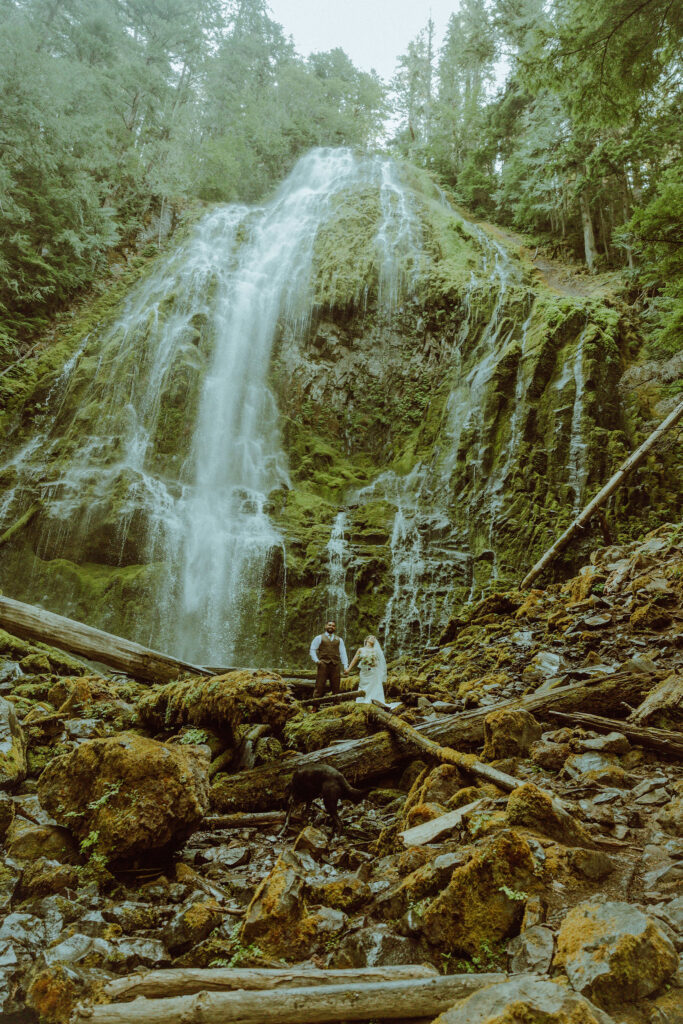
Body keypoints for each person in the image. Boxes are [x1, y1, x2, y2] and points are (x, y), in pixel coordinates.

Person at [309, 620, 349, 700]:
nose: (331, 627)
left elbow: (343, 653)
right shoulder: (319, 637)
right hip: (323, 664)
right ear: (325, 626)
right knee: (319, 685)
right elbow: (312, 649)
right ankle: (315, 705)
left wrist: (345, 666)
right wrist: (316, 660)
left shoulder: (339, 639)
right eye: (329, 625)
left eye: (333, 626)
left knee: (336, 686)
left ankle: (336, 705)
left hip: (335, 665)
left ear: (335, 628)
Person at [346, 634, 387, 705]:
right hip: (364, 672)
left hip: (374, 671)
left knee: (375, 686)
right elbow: (355, 660)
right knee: (363, 685)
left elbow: (381, 661)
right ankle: (362, 700)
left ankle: (375, 700)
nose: (373, 639)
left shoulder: (376, 650)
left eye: (374, 638)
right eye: (371, 637)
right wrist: (348, 669)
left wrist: (375, 664)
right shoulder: (360, 649)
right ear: (367, 639)